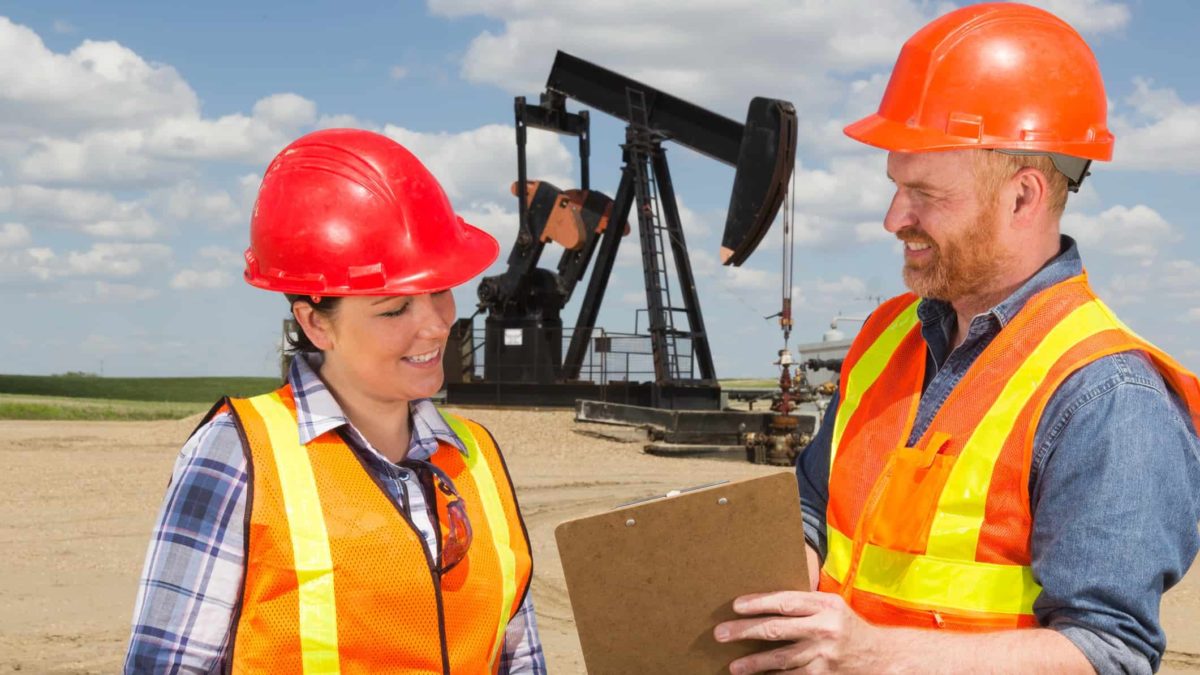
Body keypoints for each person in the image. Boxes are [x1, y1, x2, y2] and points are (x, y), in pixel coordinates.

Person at [714, 3, 1200, 674]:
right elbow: (814, 510)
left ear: (1023, 197)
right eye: (895, 185)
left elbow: (1107, 653)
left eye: (925, 193)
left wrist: (870, 654)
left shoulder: (1108, 394)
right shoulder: (887, 336)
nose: (894, 218)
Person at [124, 129, 546, 674]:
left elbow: (519, 657)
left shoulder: (476, 456)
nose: (436, 325)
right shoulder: (238, 455)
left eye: (440, 290)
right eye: (394, 309)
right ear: (315, 323)